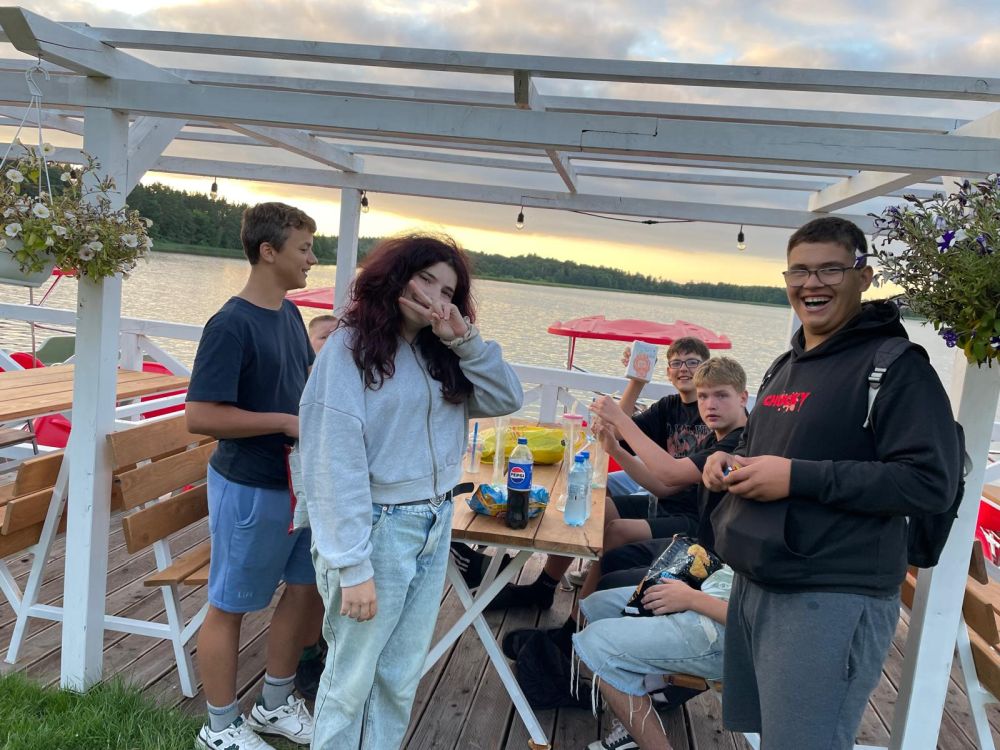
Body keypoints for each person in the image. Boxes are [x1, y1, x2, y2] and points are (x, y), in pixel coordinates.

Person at [704, 216, 961, 750]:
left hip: (830, 596)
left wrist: (796, 478)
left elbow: (928, 482)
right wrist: (729, 459)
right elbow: (770, 448)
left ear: (863, 277)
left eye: (830, 270)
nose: (811, 284)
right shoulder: (786, 364)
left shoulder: (898, 368)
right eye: (799, 271)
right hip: (759, 581)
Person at [297, 233, 522, 750]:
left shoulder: (440, 353)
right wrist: (352, 566)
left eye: (447, 291)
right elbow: (332, 462)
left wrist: (463, 340)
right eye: (425, 279)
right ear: (396, 276)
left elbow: (506, 396)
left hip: (434, 521)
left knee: (399, 677)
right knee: (351, 679)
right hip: (377, 529)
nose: (435, 297)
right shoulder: (348, 349)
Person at [187, 202, 324, 750]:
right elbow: (200, 416)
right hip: (248, 487)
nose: (312, 259)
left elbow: (306, 384)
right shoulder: (230, 324)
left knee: (304, 588)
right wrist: (285, 422)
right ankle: (219, 728)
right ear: (268, 252)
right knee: (230, 606)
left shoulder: (289, 314)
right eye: (304, 249)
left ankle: (274, 704)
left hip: (296, 483)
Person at [488, 337, 712, 610]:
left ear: (706, 369)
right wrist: (637, 380)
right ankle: (545, 586)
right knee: (595, 508)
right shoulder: (669, 406)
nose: (684, 369)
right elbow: (616, 431)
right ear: (667, 371)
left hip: (694, 516)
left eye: (692, 362)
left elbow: (669, 479)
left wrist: (615, 429)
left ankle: (577, 620)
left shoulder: (712, 414)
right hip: (665, 500)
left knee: (617, 529)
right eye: (676, 363)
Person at [294, 312, 340, 701]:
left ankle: (325, 640)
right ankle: (307, 652)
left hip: (331, 497)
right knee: (311, 575)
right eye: (325, 336)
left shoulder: (347, 383)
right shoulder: (300, 384)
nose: (334, 341)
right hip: (301, 501)